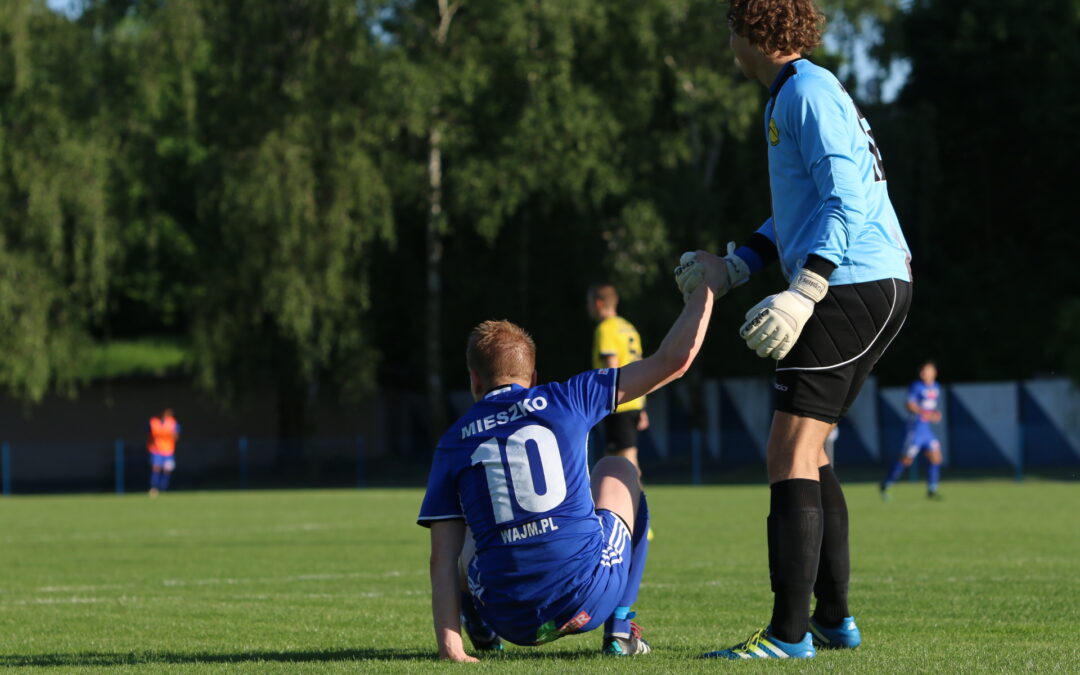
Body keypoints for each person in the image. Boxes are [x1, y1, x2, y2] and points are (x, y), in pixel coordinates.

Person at [675, 0, 912, 660]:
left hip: (851, 282)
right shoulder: (799, 92)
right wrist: (736, 266)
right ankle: (832, 619)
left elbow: (846, 198)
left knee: (788, 447)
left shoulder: (805, 92)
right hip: (868, 279)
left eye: (729, 26)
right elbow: (803, 210)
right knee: (812, 449)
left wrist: (807, 288)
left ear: (752, 32)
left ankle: (788, 633)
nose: (727, 39)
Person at [417, 253, 724, 662]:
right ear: (533, 376)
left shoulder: (454, 440)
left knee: (467, 531)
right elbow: (675, 360)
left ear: (474, 379)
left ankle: (480, 631)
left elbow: (442, 556)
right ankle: (620, 631)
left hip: (513, 619)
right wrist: (709, 287)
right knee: (618, 468)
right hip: (587, 600)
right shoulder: (567, 398)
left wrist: (448, 650)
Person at [587, 284, 649, 472]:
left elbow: (611, 366)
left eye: (588, 302)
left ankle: (638, 502)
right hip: (634, 400)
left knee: (627, 462)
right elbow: (640, 366)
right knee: (612, 463)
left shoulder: (606, 328)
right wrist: (643, 407)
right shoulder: (628, 327)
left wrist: (603, 403)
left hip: (618, 402)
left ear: (598, 304)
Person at [881, 361, 943, 499]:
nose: (923, 373)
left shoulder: (936, 387)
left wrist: (935, 414)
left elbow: (929, 408)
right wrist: (925, 413)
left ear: (934, 373)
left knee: (936, 457)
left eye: (926, 370)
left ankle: (932, 490)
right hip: (915, 430)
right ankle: (886, 484)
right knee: (906, 460)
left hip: (926, 431)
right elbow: (909, 405)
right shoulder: (917, 386)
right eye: (922, 371)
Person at [147, 409, 180, 497]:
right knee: (156, 468)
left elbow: (176, 436)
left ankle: (163, 488)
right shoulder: (154, 422)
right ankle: (154, 488)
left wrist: (173, 435)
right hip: (156, 450)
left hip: (168, 451)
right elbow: (149, 434)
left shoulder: (173, 423)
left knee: (167, 470)